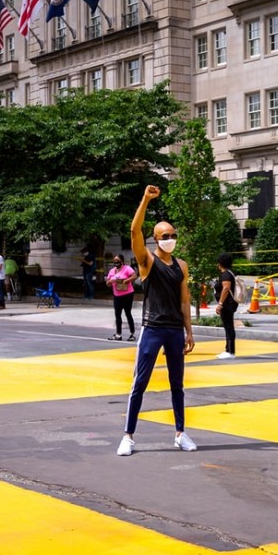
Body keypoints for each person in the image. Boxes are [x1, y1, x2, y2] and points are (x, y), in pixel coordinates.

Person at [116, 185, 195, 456]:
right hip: (152, 328)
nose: (170, 239)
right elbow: (134, 231)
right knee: (140, 382)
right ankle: (128, 436)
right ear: (156, 238)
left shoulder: (181, 266)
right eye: (164, 235)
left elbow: (185, 300)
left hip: (174, 330)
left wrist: (189, 332)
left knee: (177, 384)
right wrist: (145, 200)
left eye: (173, 235)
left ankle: (180, 433)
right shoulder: (147, 261)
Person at [214, 252, 239, 359]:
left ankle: (230, 351)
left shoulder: (226, 275)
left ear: (220, 263)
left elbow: (226, 289)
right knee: (228, 326)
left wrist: (220, 304)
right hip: (228, 304)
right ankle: (228, 349)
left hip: (227, 304)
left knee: (228, 327)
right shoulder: (229, 273)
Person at [106, 254, 136, 340]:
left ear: (122, 261)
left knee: (128, 313)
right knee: (117, 314)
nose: (116, 263)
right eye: (114, 261)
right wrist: (110, 282)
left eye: (118, 261)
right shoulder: (112, 271)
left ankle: (132, 334)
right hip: (117, 295)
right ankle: (118, 334)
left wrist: (126, 281)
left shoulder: (127, 268)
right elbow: (107, 283)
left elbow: (134, 276)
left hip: (127, 294)